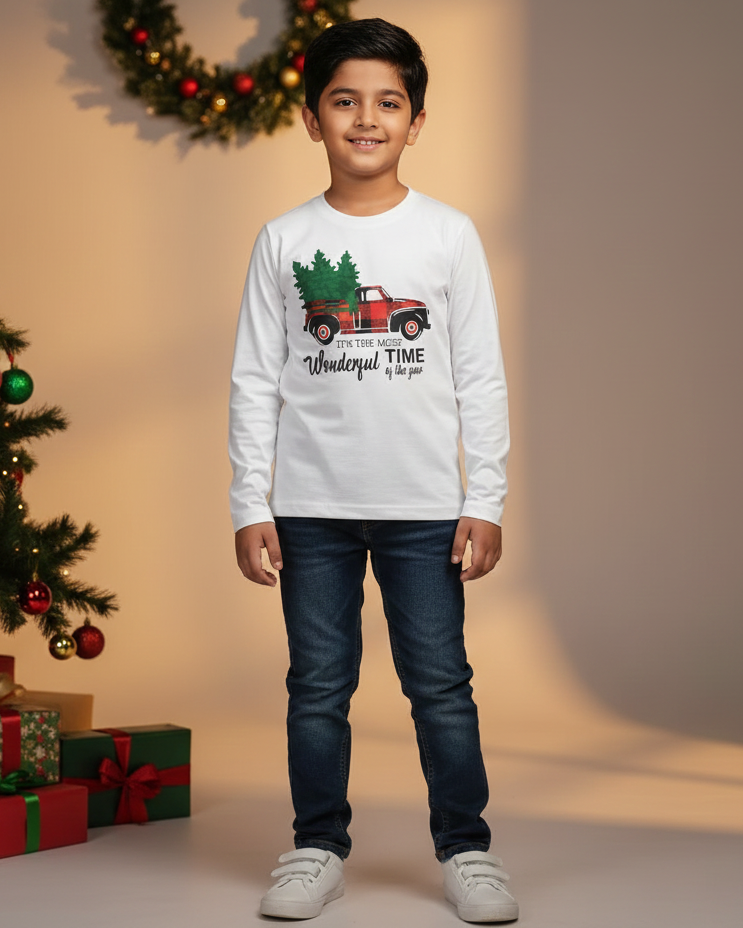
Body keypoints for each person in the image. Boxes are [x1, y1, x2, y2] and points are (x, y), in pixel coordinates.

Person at [228, 17, 517, 923]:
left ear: (415, 121)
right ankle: (316, 844)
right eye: (344, 100)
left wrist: (486, 498)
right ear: (312, 118)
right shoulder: (282, 240)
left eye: (386, 103)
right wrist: (250, 500)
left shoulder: (447, 235)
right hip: (310, 508)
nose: (365, 118)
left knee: (439, 685)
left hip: (425, 507)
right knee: (317, 687)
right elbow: (251, 380)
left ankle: (466, 849)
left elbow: (479, 375)